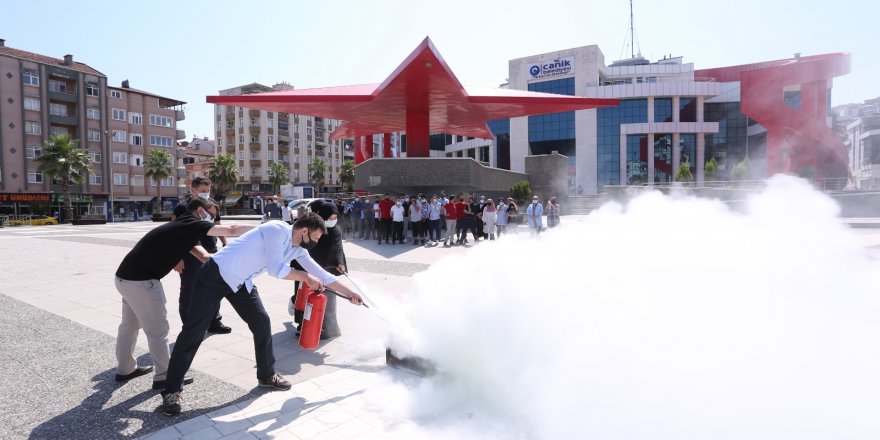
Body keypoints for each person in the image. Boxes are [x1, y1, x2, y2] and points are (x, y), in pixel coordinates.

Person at [160, 212, 364, 416]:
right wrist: (303, 276)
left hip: (241, 282)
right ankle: (171, 390)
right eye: (316, 237)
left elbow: (323, 275)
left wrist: (351, 293)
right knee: (193, 332)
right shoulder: (276, 229)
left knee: (262, 322)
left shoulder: (298, 250)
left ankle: (266, 376)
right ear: (304, 231)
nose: (317, 242)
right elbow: (276, 270)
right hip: (215, 275)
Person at [114, 198, 252, 391]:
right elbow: (232, 230)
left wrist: (232, 262)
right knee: (158, 331)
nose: (211, 218)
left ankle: (125, 368)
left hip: (124, 278)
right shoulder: (190, 223)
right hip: (142, 283)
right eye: (208, 213)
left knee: (129, 325)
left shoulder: (181, 230)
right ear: (198, 211)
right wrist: (265, 228)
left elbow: (204, 257)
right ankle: (164, 375)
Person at [289, 200, 348, 339]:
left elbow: (338, 247)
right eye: (330, 218)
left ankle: (330, 328)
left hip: (328, 269)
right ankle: (302, 324)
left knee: (329, 300)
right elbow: (302, 249)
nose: (333, 221)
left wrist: (340, 263)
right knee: (303, 297)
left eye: (335, 218)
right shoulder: (313, 229)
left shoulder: (335, 230)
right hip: (308, 269)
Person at [172, 197, 231, 335]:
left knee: (213, 288)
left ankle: (214, 322)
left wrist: (225, 243)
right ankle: (188, 326)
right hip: (190, 255)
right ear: (194, 189)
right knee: (189, 290)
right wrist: (177, 257)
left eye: (208, 189)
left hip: (211, 250)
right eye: (203, 189)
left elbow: (219, 225)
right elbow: (175, 233)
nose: (206, 192)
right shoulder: (183, 208)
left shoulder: (212, 206)